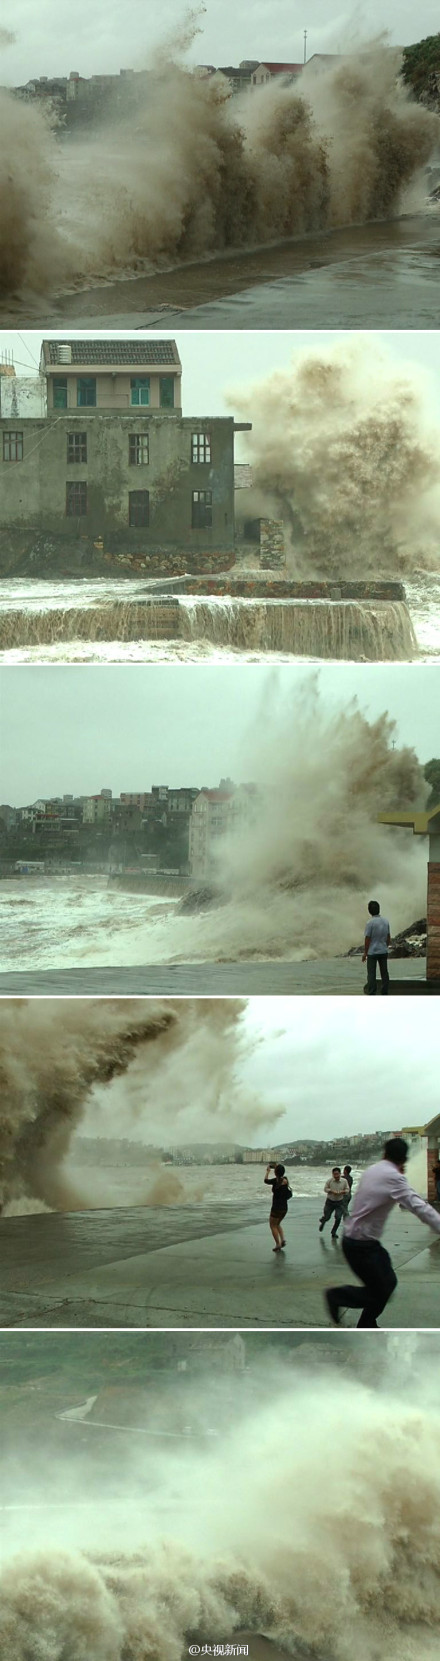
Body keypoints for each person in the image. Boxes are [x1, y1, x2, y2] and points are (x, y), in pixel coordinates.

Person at [325, 1137, 440, 1328]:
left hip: (360, 1241)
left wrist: (398, 1176)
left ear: (385, 1154)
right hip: (361, 1245)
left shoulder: (374, 1170)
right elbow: (418, 1206)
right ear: (404, 1160)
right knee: (381, 1290)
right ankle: (337, 1297)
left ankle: (367, 1323)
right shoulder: (394, 1178)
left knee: (387, 1283)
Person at [362, 900, 391, 996]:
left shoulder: (370, 923)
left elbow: (367, 939)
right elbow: (388, 937)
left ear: (369, 911)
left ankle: (372, 992)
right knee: (384, 973)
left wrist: (365, 953)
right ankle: (385, 991)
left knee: (371, 974)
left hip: (372, 952)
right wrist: (385, 946)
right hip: (383, 951)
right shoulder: (385, 921)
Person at [264, 1162, 292, 1252]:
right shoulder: (285, 1180)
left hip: (276, 1208)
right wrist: (277, 1168)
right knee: (278, 1224)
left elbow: (265, 1180)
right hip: (284, 1208)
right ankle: (283, 1239)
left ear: (275, 1172)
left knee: (272, 1225)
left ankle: (278, 1244)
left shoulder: (275, 1181)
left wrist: (268, 1171)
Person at [318, 1168, 350, 1240]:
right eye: (334, 1174)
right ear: (332, 1174)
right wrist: (331, 1191)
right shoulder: (330, 1181)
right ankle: (323, 1221)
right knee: (327, 1216)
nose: (336, 1176)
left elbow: (347, 1189)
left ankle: (333, 1232)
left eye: (337, 1174)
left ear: (340, 1174)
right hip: (330, 1202)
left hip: (339, 1202)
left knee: (338, 1217)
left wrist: (342, 1192)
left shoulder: (344, 1181)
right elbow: (325, 1189)